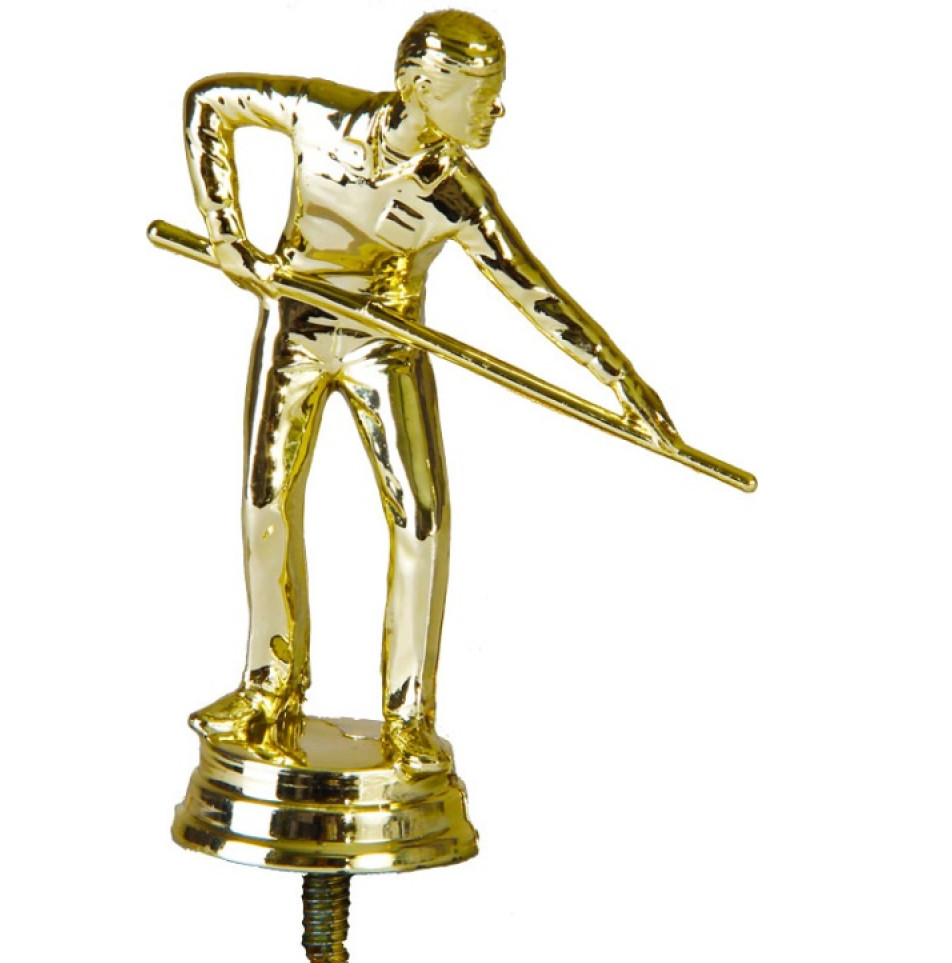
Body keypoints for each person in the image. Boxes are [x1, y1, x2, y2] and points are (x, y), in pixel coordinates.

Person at [184, 10, 680, 775]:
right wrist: (226, 234)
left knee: (420, 519)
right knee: (265, 501)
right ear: (420, 87)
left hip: (388, 343)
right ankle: (267, 687)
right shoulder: (318, 114)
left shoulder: (456, 193)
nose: (495, 111)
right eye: (479, 95)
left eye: (494, 93)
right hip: (295, 325)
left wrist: (624, 381)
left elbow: (536, 294)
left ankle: (408, 717)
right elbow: (208, 105)